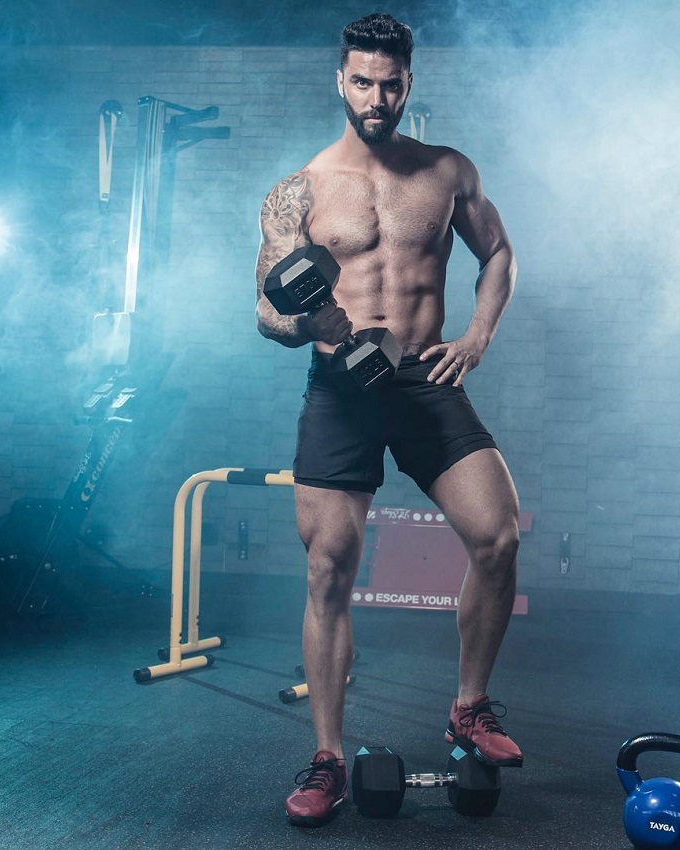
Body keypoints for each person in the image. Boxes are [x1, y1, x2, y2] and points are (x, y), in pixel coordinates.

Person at [255, 12, 522, 828]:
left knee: (499, 533)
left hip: (421, 376)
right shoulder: (296, 192)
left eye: (390, 83)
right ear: (340, 80)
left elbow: (499, 254)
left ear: (411, 82)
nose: (376, 96)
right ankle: (330, 757)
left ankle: (468, 705)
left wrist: (475, 337)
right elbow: (267, 312)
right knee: (330, 568)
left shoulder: (447, 171)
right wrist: (316, 326)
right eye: (362, 81)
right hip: (339, 387)